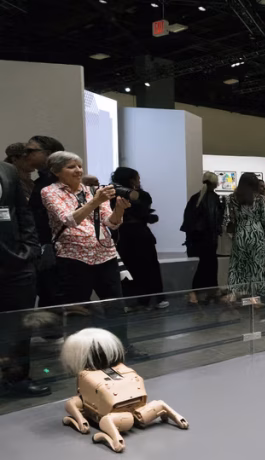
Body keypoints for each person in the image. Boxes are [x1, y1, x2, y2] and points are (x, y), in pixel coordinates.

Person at [41, 151, 137, 356]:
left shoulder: (93, 191)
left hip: (105, 255)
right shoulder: (50, 192)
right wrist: (96, 201)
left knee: (115, 306)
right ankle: (79, 353)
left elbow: (110, 222)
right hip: (73, 258)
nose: (78, 170)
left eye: (79, 166)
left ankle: (122, 348)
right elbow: (69, 220)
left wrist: (120, 209)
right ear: (56, 171)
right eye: (71, 167)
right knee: (77, 309)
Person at [0, 159, 49, 397]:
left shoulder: (7, 170)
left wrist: (30, 249)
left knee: (20, 326)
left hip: (16, 263)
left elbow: (22, 211)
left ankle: (18, 379)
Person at [110, 167, 166, 309]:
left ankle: (146, 300)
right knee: (137, 268)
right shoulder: (114, 195)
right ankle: (141, 300)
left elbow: (140, 211)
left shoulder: (140, 195)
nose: (139, 181)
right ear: (131, 180)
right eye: (137, 178)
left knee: (143, 267)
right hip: (131, 235)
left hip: (130, 236)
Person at [24, 135, 65, 307]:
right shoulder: (41, 182)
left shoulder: (59, 182)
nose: (26, 154)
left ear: (48, 153)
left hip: (57, 248)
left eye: (30, 150)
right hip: (44, 246)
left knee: (56, 295)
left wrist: (47, 245)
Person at [182, 172, 225, 305]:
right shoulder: (214, 199)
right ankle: (209, 292)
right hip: (208, 240)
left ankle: (196, 294)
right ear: (215, 183)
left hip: (196, 241)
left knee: (200, 267)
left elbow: (188, 220)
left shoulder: (195, 198)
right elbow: (215, 221)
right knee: (209, 267)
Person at [226, 172, 265, 301]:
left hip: (240, 233)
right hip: (256, 233)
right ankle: (255, 298)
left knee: (237, 266)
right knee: (257, 266)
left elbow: (229, 219)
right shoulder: (260, 199)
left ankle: (235, 294)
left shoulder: (231, 198)